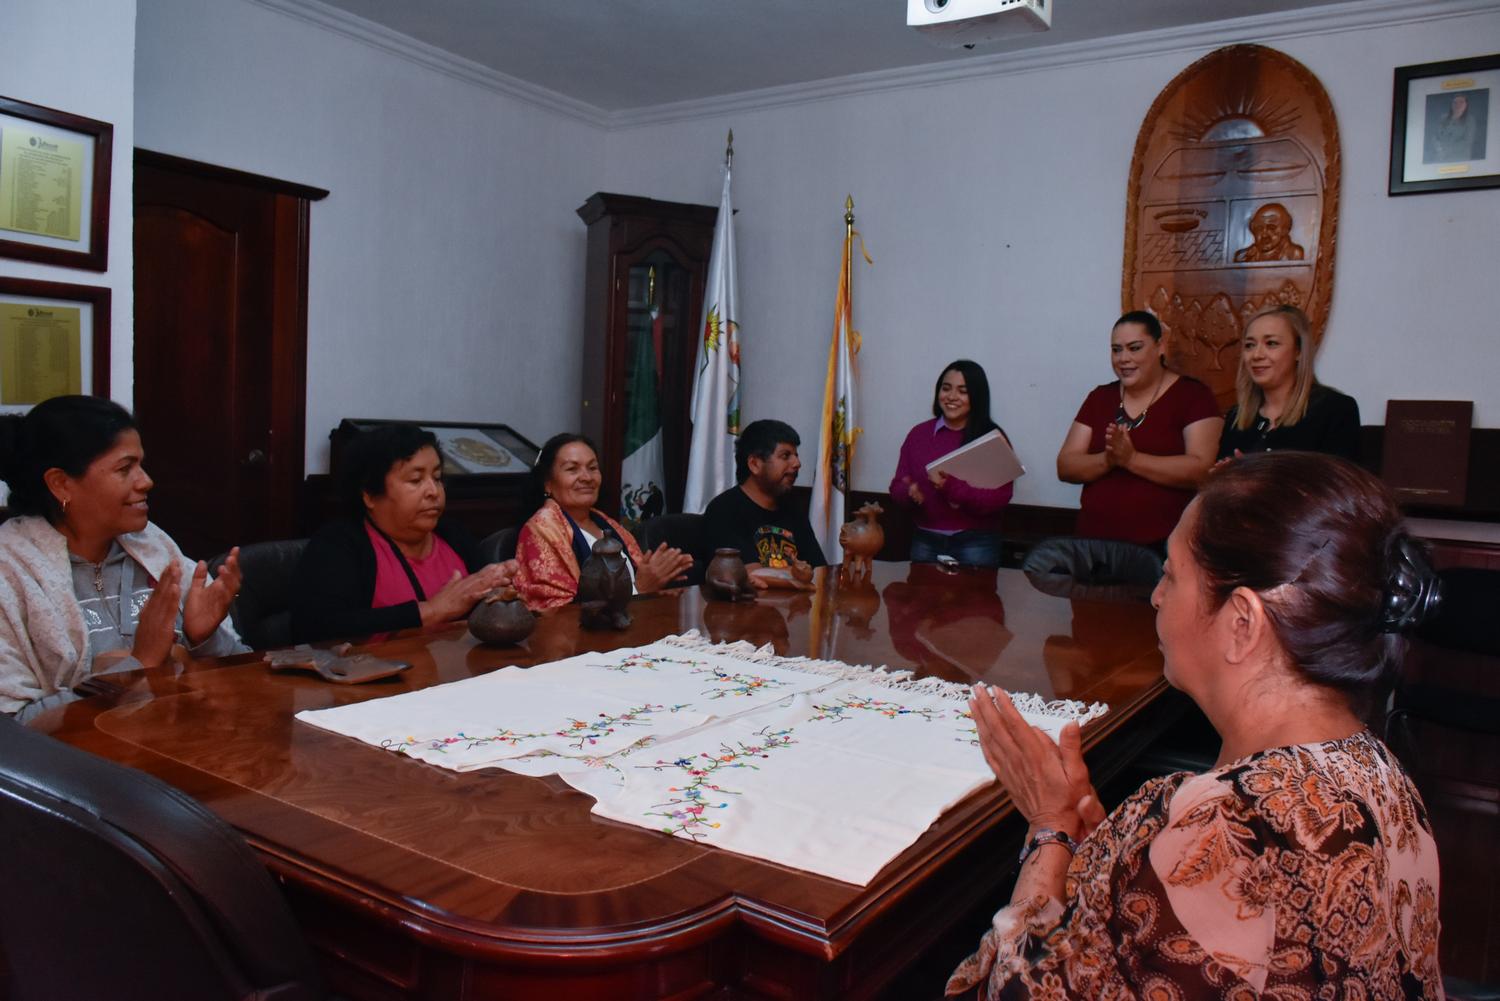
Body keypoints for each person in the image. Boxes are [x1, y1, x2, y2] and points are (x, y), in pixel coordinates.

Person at [948, 451, 1443, 999]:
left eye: (1171, 574)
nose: (1156, 596)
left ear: (1242, 622)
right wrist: (1116, 862)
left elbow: (1015, 990)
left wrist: (1050, 830)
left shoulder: (1233, 827)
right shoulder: (1379, 769)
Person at [0, 396, 247, 723]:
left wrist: (204, 640)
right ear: (61, 484)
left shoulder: (155, 547)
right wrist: (138, 665)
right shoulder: (10, 572)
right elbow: (14, 728)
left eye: (141, 465)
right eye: (124, 468)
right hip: (77, 757)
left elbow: (244, 680)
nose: (146, 481)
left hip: (184, 743)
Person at [291, 425, 517, 642]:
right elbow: (319, 630)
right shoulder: (338, 545)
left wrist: (501, 590)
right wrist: (431, 611)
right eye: (416, 480)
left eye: (437, 478)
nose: (433, 491)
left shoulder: (453, 535)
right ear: (369, 494)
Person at [1057, 311, 1221, 550]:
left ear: (1160, 347)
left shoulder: (1193, 396)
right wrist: (1108, 459)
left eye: (1134, 348)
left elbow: (1202, 470)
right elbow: (1065, 465)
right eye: (1116, 350)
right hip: (1093, 545)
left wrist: (1132, 459)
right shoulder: (1100, 397)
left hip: (1162, 548)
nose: (1124, 358)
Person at [513, 433, 692, 611]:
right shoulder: (540, 531)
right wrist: (641, 589)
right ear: (547, 483)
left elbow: (638, 581)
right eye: (572, 469)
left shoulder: (607, 523)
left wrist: (658, 589)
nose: (587, 477)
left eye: (593, 468)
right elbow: (558, 613)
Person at [889, 360, 1014, 567]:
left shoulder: (992, 438)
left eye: (963, 391)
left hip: (976, 542)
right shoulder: (918, 434)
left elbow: (1001, 497)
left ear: (977, 396)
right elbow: (897, 485)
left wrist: (952, 488)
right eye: (946, 388)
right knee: (921, 589)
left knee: (975, 591)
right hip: (925, 539)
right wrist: (908, 492)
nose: (952, 396)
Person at [1217, 304, 1360, 462]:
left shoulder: (1335, 409)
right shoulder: (1236, 417)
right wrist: (1225, 473)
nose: (1256, 355)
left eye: (1271, 343)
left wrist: (1255, 473)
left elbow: (1336, 477)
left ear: (1298, 351)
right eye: (1250, 345)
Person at [700, 419, 826, 585]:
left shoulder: (793, 509)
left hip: (796, 601)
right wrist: (797, 574)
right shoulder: (724, 510)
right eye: (785, 456)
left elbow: (818, 569)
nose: (797, 463)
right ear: (755, 464)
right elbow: (749, 574)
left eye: (796, 455)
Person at [1232, 202, 1304, 262]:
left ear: (1285, 230)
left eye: (1271, 228)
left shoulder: (1294, 254)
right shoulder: (1244, 256)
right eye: (1259, 228)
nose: (1264, 235)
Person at [1427, 92, 1478, 163]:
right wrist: (1439, 149)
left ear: (1466, 105)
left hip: (1458, 158)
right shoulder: (1443, 118)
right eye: (1455, 102)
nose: (1458, 105)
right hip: (1440, 157)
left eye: (1461, 102)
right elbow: (1434, 136)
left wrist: (1447, 150)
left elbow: (1467, 142)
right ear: (1451, 104)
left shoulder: (1470, 120)